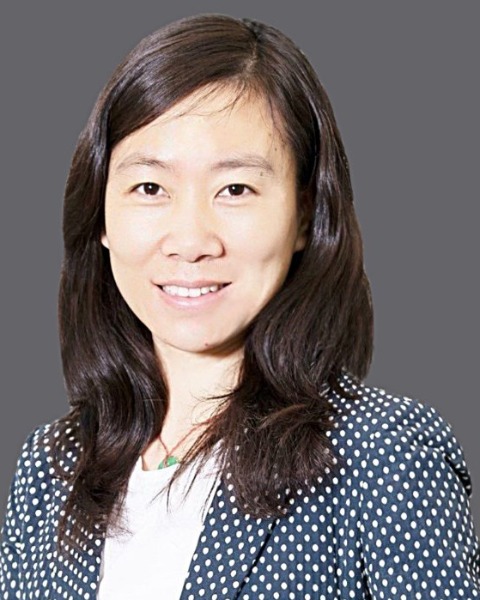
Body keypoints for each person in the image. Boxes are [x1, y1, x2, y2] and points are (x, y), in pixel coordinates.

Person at [1, 13, 479, 599]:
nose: (190, 241)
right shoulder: (53, 466)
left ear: (305, 215)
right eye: (149, 188)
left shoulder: (382, 454)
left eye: (235, 189)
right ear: (100, 215)